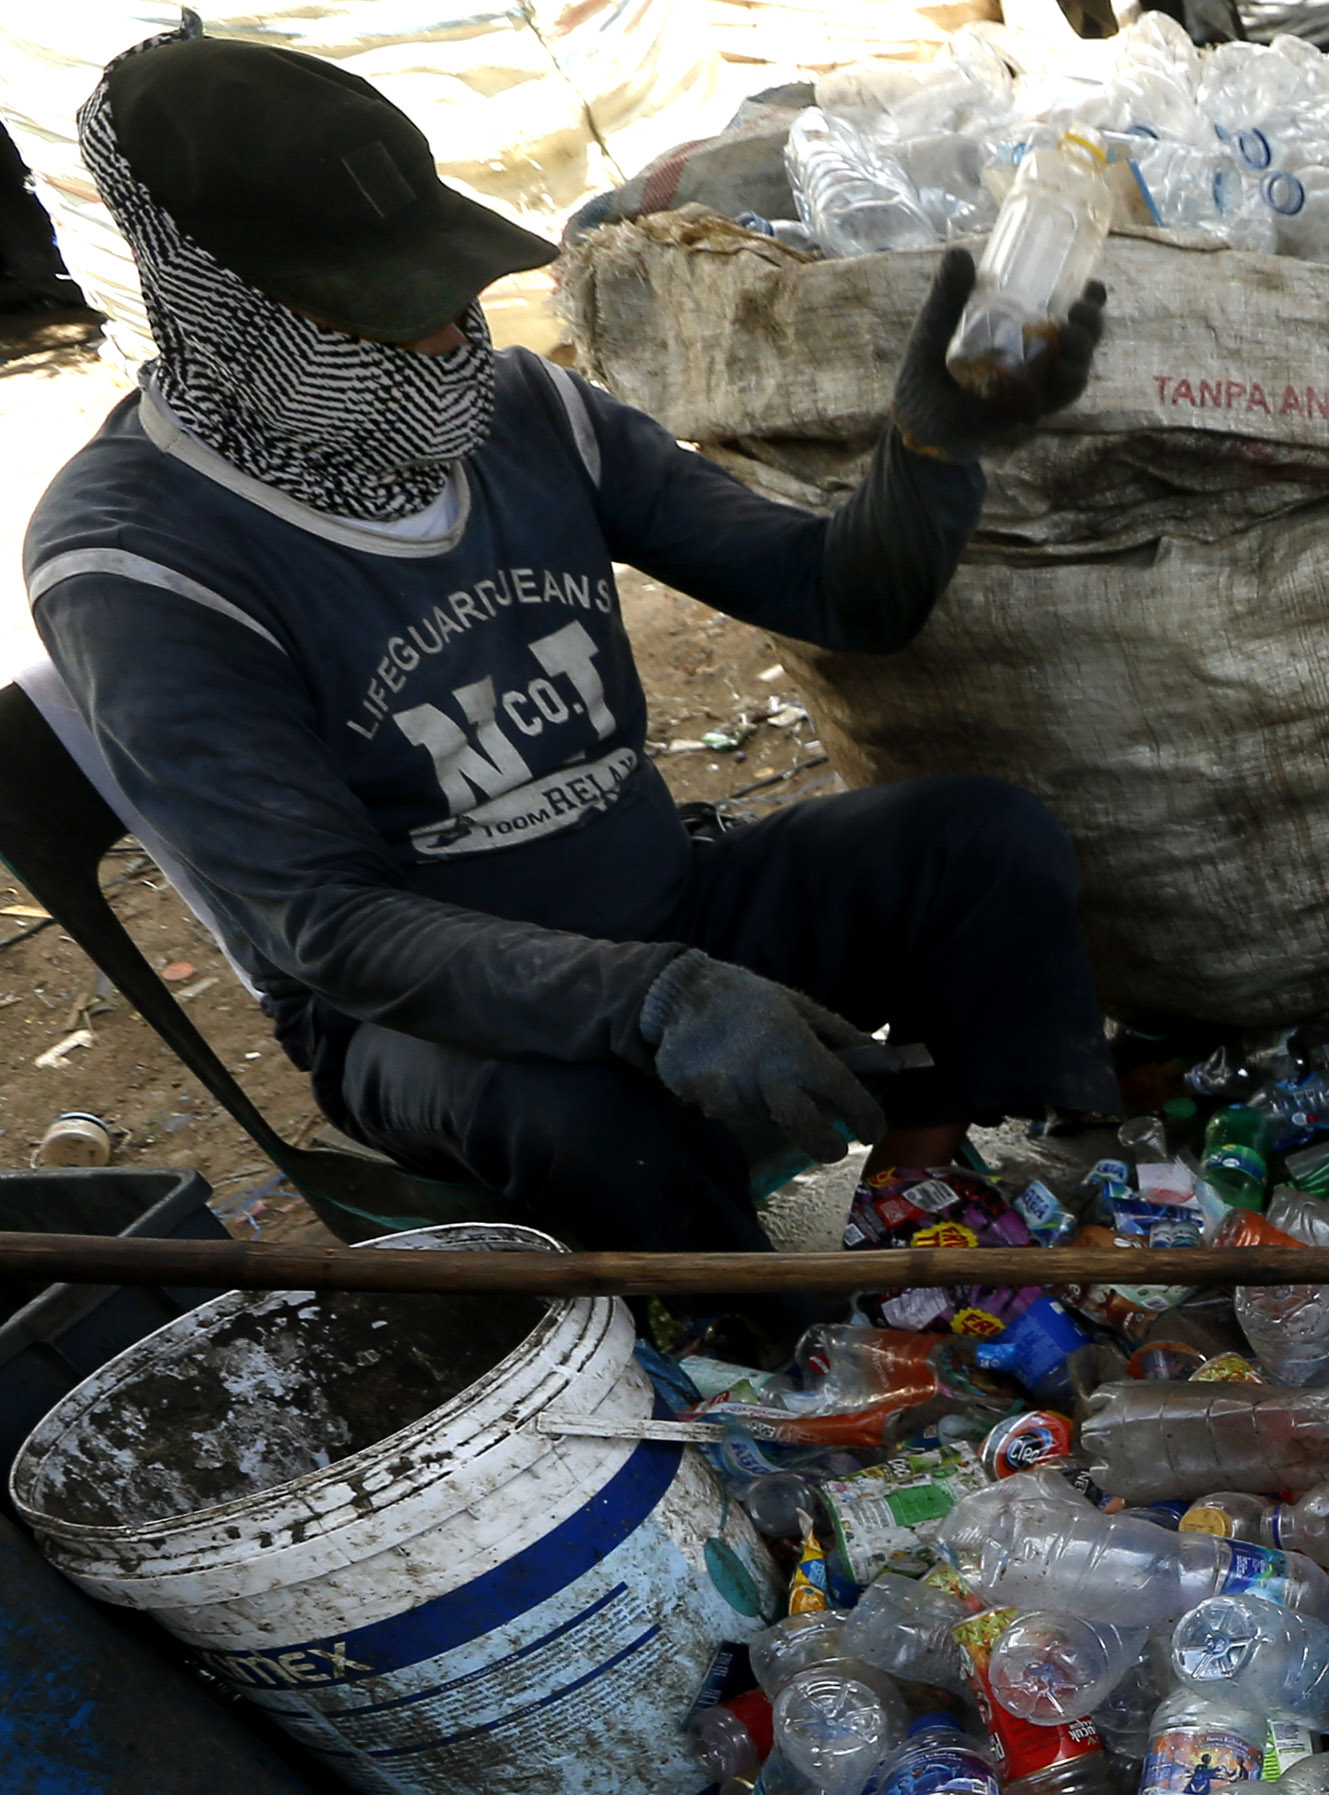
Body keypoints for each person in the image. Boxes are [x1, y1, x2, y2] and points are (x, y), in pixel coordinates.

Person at [23, 26, 1124, 1253]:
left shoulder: (524, 411)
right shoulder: (135, 558)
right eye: (393, 310)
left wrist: (934, 447)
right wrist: (645, 996)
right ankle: (757, 1357)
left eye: (449, 289)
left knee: (981, 841)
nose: (454, 335)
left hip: (665, 902)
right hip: (425, 1019)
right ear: (229, 311)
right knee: (587, 1116)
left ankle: (922, 1206)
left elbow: (843, 597)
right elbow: (330, 926)